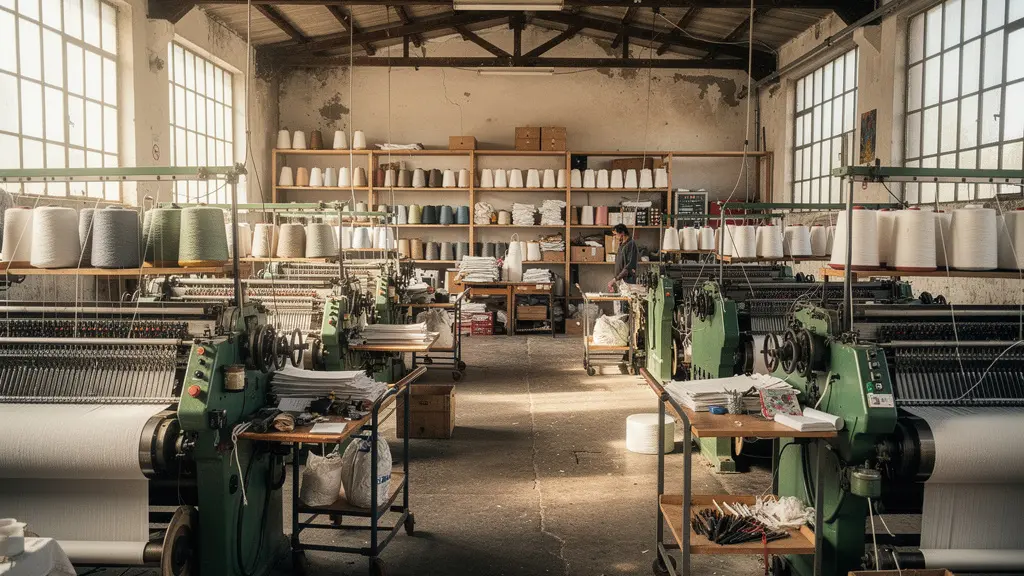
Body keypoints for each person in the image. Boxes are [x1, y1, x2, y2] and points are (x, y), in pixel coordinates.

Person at [607, 223, 639, 292]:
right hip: (621, 280)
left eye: (615, 234)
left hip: (628, 281)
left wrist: (614, 280)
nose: (614, 237)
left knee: (626, 302)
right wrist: (616, 280)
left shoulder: (631, 245)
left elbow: (629, 267)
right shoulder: (622, 245)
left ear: (622, 233)